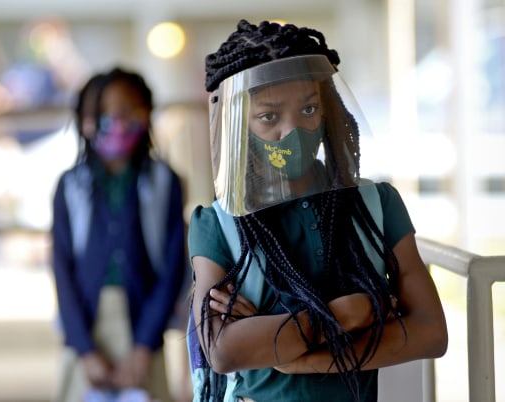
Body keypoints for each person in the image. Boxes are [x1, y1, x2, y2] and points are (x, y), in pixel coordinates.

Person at [187, 19, 448, 402]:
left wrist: (300, 354)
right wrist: (347, 316)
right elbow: (224, 351)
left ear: (328, 111)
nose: (293, 130)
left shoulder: (376, 206)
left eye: (308, 109)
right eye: (269, 117)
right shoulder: (219, 223)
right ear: (239, 123)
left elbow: (430, 333)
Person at [52, 67, 186, 402]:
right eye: (107, 113)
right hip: (85, 329)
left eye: (129, 110)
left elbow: (173, 267)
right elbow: (61, 267)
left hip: (144, 326)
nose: (119, 121)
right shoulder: (71, 185)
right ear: (87, 119)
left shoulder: (164, 181)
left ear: (147, 113)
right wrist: (84, 349)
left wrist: (144, 347)